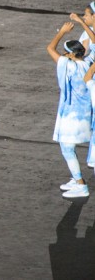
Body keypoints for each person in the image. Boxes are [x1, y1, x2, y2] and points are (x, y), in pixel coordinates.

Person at [46, 17, 95, 198]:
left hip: (72, 116)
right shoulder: (88, 63)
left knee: (67, 148)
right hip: (84, 115)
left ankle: (80, 184)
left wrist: (61, 33)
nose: (64, 55)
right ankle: (76, 180)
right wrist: (84, 24)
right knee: (69, 148)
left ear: (72, 55)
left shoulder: (69, 66)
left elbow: (50, 49)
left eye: (66, 53)